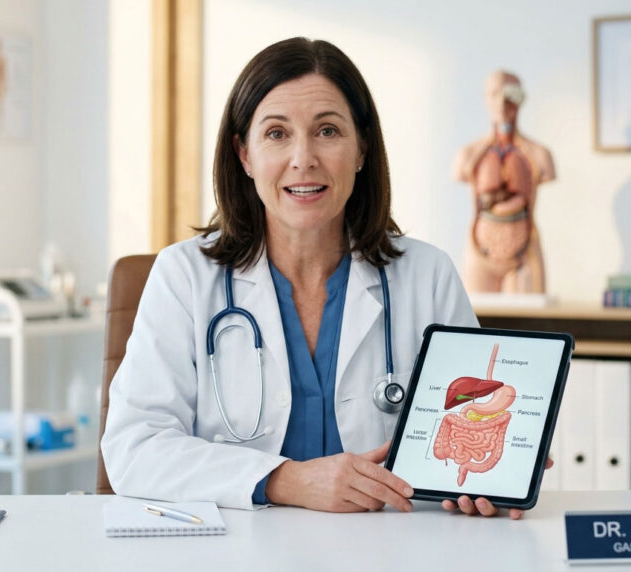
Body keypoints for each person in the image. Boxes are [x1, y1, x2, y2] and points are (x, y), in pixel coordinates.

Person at [102, 37, 533, 518]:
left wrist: (492, 471)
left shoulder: (427, 275)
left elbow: (473, 416)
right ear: (243, 154)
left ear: (362, 149)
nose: (303, 158)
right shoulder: (184, 276)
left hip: (389, 550)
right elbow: (133, 448)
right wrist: (286, 479)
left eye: (327, 131)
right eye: (276, 134)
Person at [452, 70, 556, 294]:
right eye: (494, 93)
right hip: (481, 251)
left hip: (524, 251)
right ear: (485, 99)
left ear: (520, 98)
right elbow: (463, 171)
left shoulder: (538, 154)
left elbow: (544, 171)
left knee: (527, 325)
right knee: (474, 324)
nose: (501, 101)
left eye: (509, 94)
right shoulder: (469, 154)